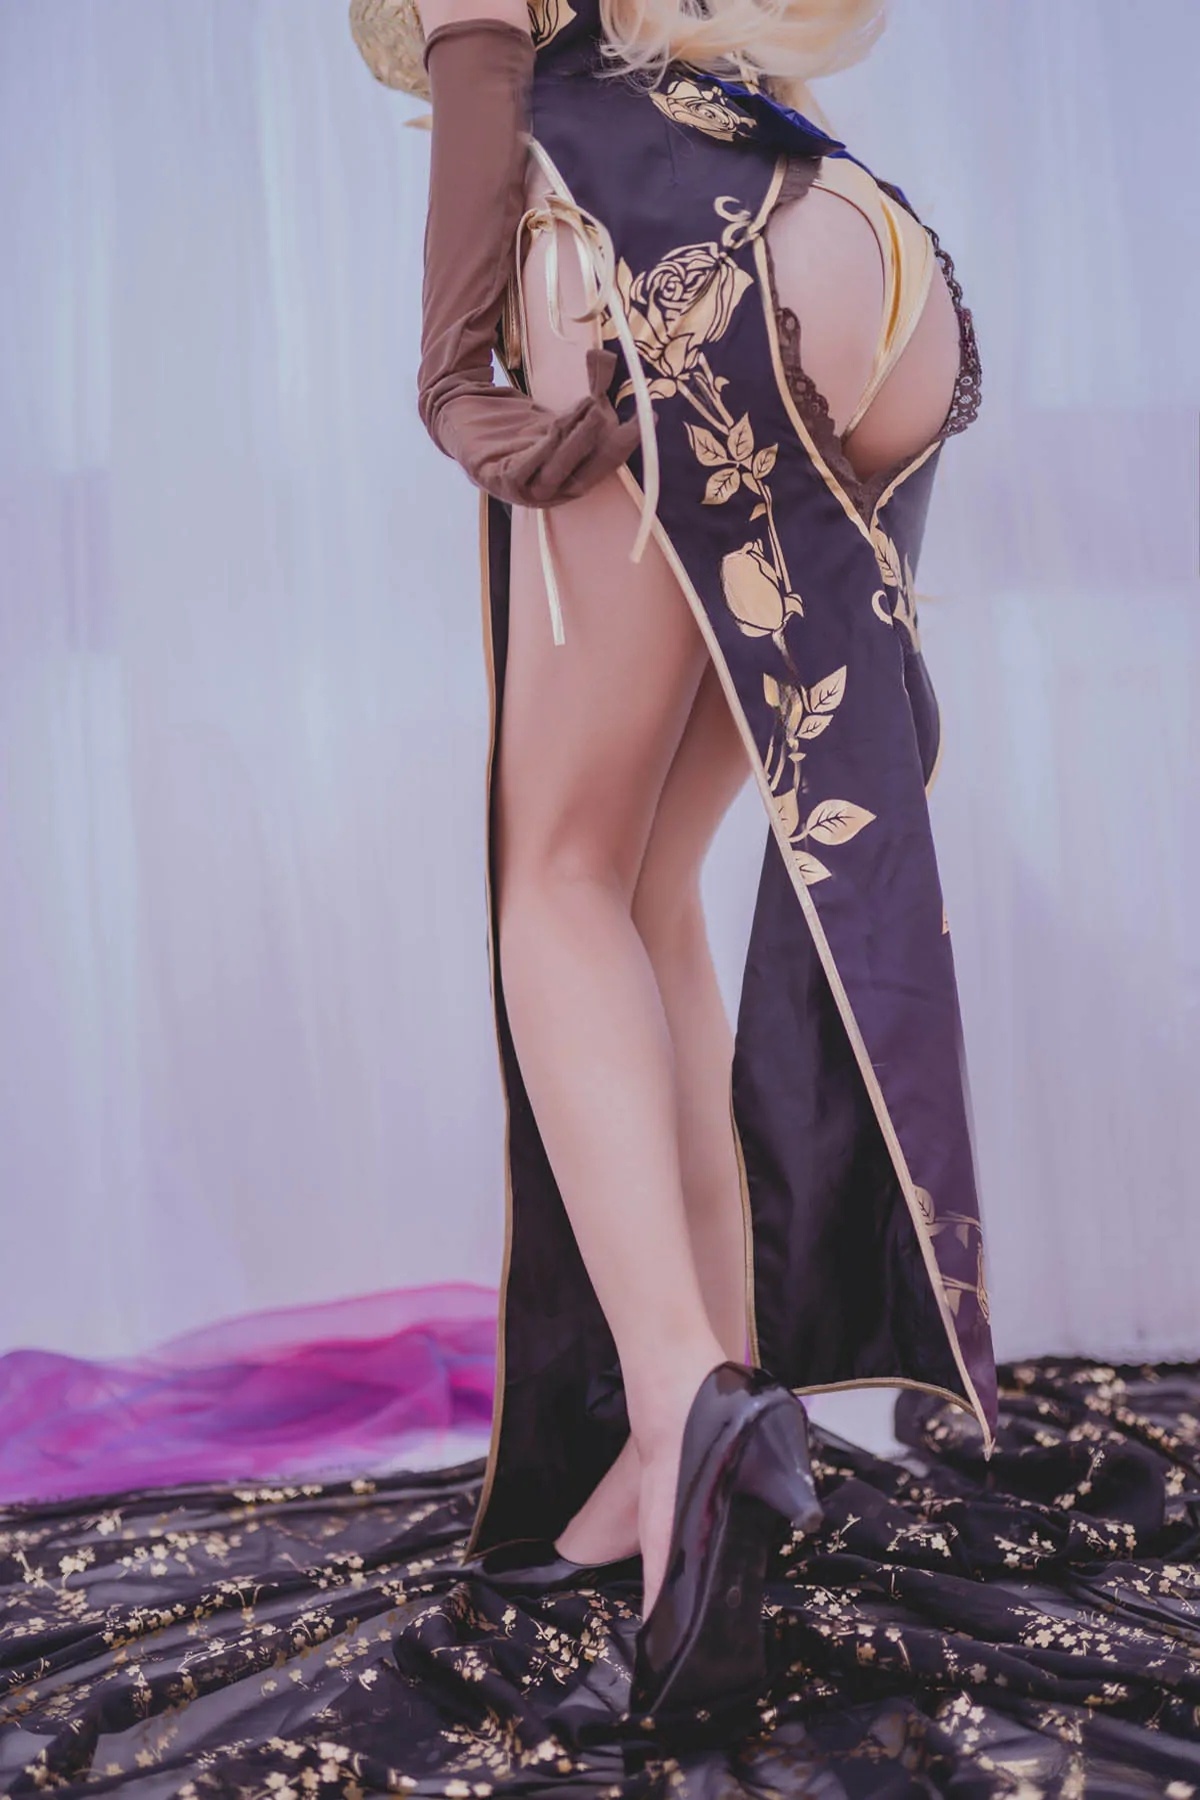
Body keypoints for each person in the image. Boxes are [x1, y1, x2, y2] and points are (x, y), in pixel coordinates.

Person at [349, 0, 996, 1725]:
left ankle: (678, 1397)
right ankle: (686, 1449)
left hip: (650, 261)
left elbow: (486, 59)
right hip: (856, 246)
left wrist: (451, 382)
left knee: (553, 874)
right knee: (642, 890)